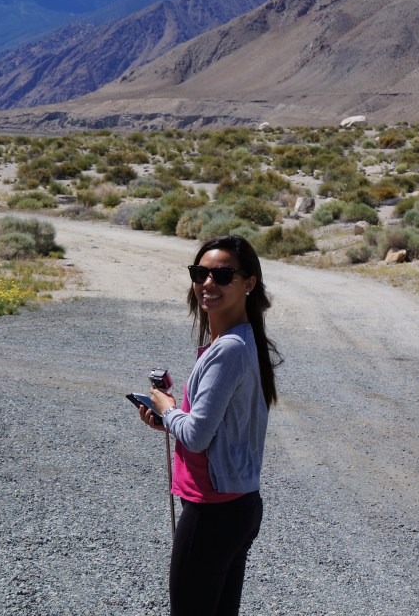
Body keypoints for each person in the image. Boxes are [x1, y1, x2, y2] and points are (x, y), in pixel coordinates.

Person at [137, 234, 282, 616]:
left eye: (222, 275)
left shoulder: (228, 349)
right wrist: (169, 422)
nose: (207, 283)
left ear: (248, 282)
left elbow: (198, 436)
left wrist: (166, 408)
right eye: (200, 273)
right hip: (239, 506)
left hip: (213, 511)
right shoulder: (246, 340)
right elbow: (218, 427)